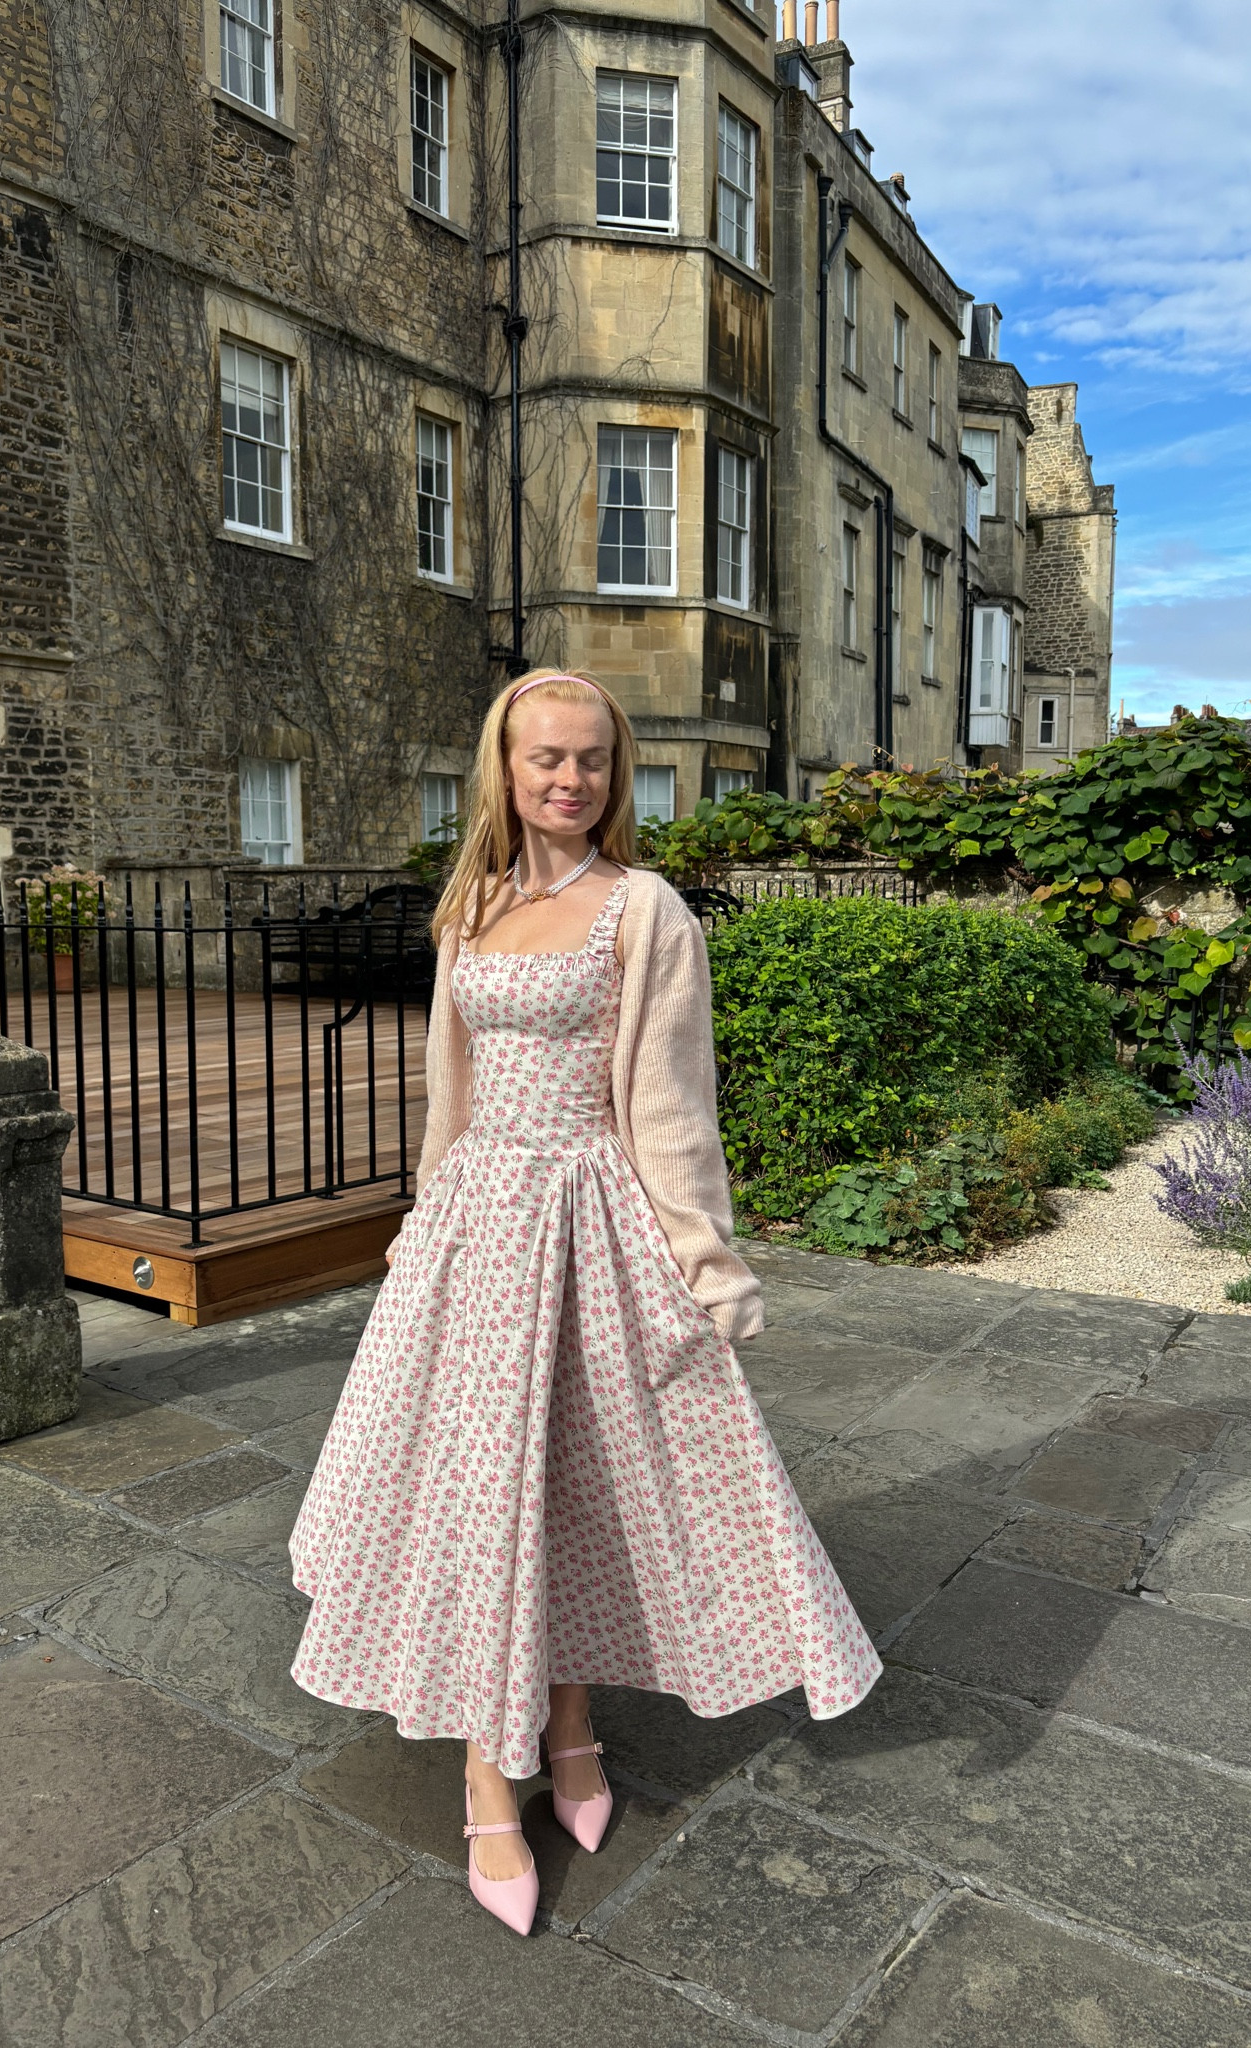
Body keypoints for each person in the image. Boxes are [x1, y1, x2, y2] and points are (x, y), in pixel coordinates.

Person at [289, 669, 880, 1935]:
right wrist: (422, 1214)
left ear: (616, 774)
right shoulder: (470, 904)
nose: (570, 779)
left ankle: (568, 1725)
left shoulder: (645, 907)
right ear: (504, 767)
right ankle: (485, 1774)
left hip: (590, 1217)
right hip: (474, 1232)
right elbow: (449, 1088)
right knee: (475, 1490)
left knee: (576, 1479)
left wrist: (706, 1262)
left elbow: (670, 1105)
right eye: (546, 758)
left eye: (594, 761)